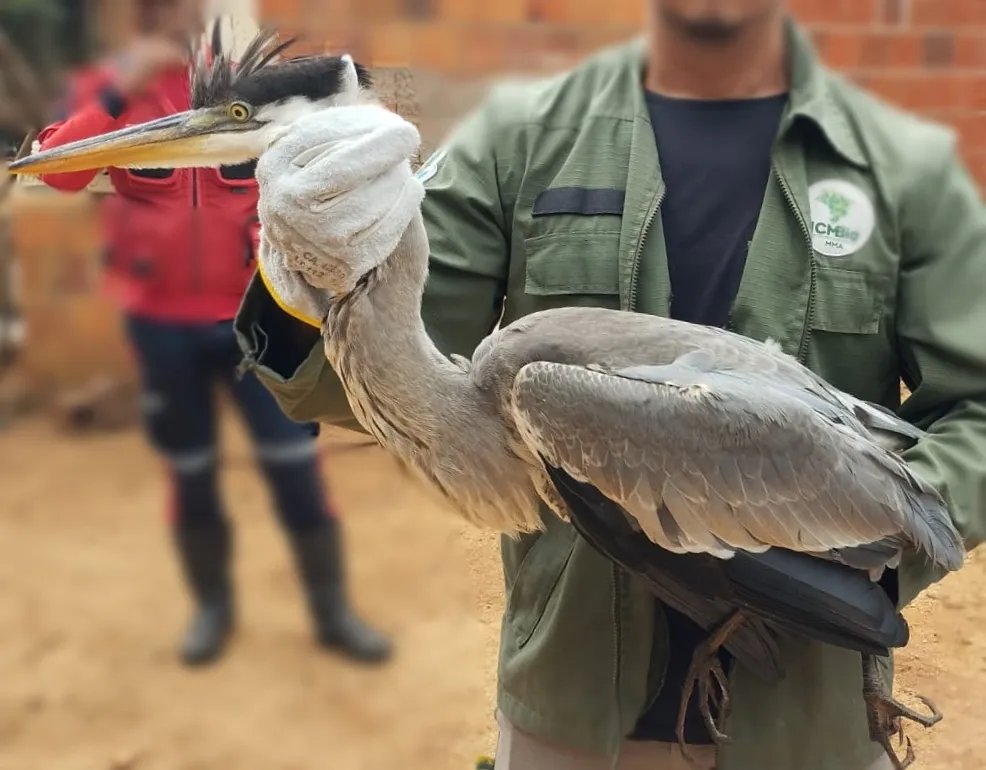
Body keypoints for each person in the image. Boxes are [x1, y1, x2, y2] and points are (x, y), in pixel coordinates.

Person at [234, 1, 986, 768]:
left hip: (809, 724)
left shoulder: (904, 167)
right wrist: (305, 271)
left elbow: (980, 413)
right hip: (574, 714)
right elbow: (371, 377)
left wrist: (864, 563)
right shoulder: (518, 137)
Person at [35, 0, 391, 667]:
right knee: (189, 469)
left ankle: (332, 611)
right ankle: (212, 610)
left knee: (294, 466)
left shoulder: (255, 91)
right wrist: (118, 89)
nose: (173, 18)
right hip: (161, 323)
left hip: (256, 318)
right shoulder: (112, 90)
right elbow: (59, 169)